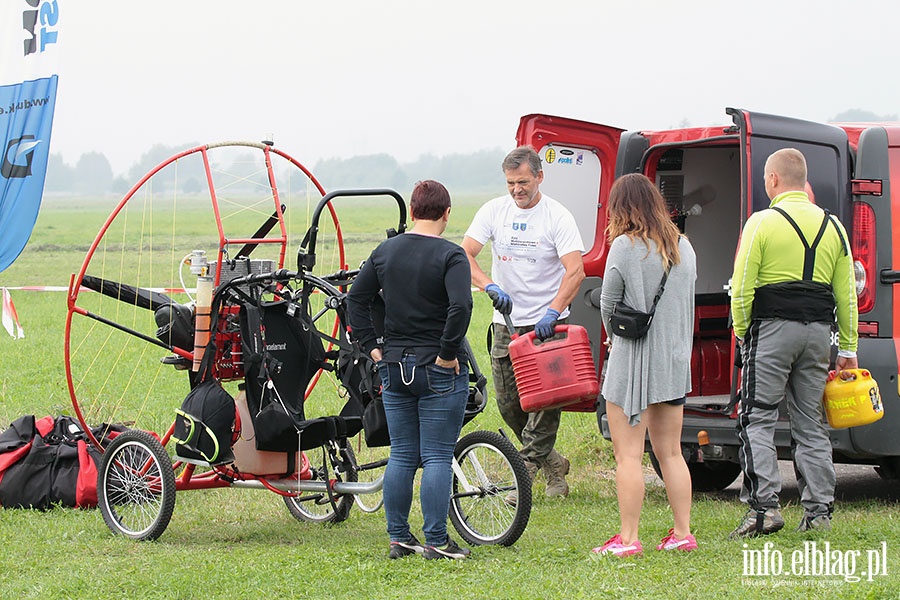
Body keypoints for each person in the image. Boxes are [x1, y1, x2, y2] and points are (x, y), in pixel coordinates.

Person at [729, 148, 858, 538]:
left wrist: (742, 332)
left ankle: (764, 509)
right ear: (803, 182)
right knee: (811, 424)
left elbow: (742, 288)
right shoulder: (833, 226)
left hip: (771, 331)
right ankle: (819, 514)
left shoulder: (762, 222)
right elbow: (847, 293)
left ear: (772, 180)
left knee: (757, 417)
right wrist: (848, 348)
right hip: (818, 334)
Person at [347, 180, 474, 560]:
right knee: (436, 455)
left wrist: (373, 348)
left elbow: (356, 298)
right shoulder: (452, 256)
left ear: (413, 212)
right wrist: (448, 353)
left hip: (393, 365)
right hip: (437, 367)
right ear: (447, 213)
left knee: (402, 453)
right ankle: (436, 539)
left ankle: (399, 537)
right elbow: (461, 306)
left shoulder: (386, 251)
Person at [462, 145, 585, 498]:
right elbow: (464, 253)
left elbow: (575, 271)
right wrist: (488, 285)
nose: (517, 189)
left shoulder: (557, 216)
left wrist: (554, 309)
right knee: (509, 404)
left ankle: (525, 474)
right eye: (511, 183)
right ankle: (554, 463)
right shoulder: (494, 211)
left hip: (547, 326)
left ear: (539, 177)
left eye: (523, 182)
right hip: (507, 324)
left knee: (544, 404)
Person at [592, 173, 697, 556]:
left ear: (620, 209)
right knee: (671, 452)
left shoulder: (624, 247)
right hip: (672, 362)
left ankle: (628, 539)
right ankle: (683, 533)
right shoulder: (685, 246)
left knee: (629, 456)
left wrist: (613, 336)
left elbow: (607, 303)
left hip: (632, 362)